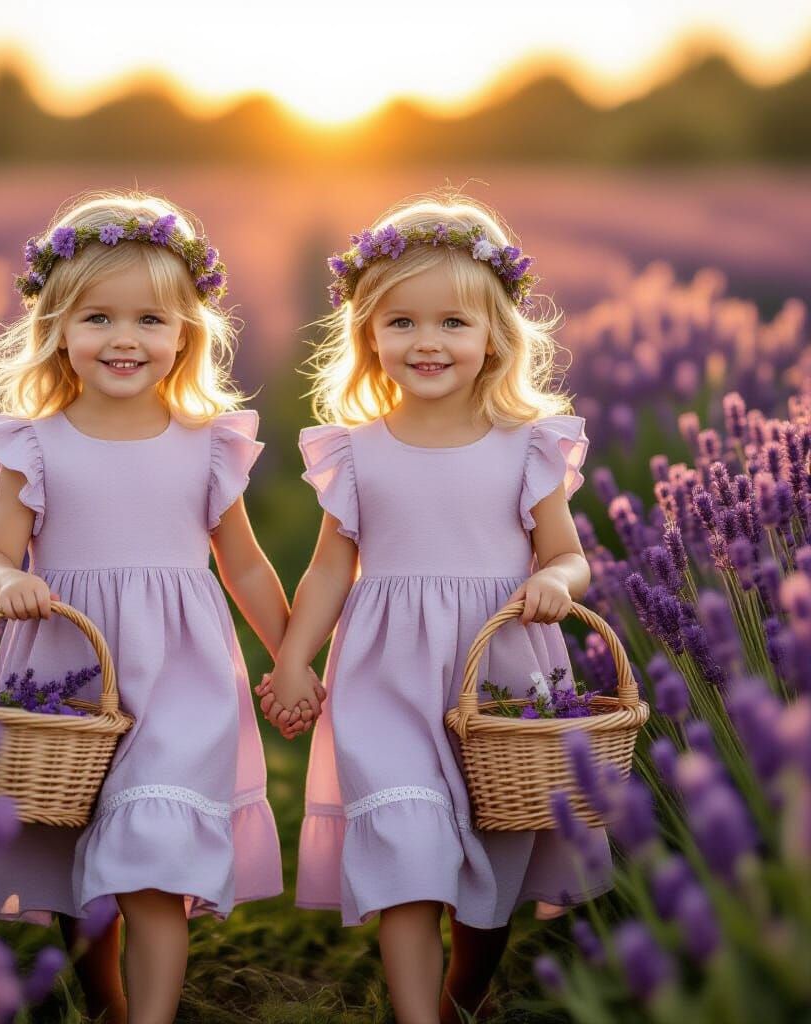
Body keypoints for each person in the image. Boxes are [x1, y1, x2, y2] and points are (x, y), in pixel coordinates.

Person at [256, 190, 613, 1024]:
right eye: (402, 323)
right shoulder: (357, 450)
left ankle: (461, 996)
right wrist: (293, 658)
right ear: (368, 335)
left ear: (496, 335)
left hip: (502, 670)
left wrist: (557, 583)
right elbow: (326, 571)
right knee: (407, 843)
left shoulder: (529, 445)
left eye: (453, 323)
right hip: (386, 675)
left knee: (494, 861)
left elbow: (566, 553)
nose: (428, 342)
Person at [0, 190, 306, 1024]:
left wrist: (294, 657)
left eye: (150, 319)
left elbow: (247, 568)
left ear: (186, 331)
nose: (124, 339)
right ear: (58, 329)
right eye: (98, 319)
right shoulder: (32, 444)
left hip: (181, 674)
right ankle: (108, 1001)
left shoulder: (206, 440)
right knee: (80, 868)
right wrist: (11, 584)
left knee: (150, 861)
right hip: (64, 671)